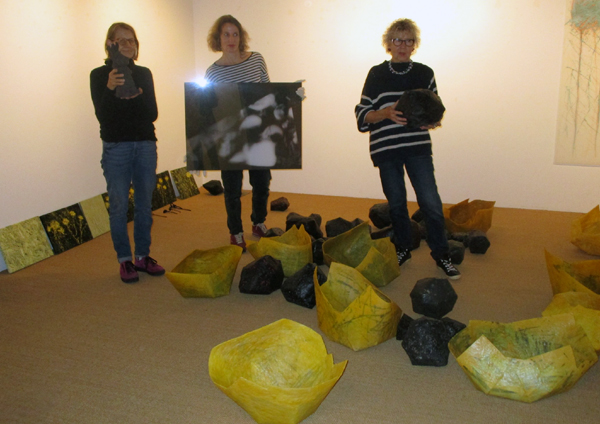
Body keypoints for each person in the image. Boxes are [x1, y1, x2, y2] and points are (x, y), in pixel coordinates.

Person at [354, 18, 460, 280]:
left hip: (417, 148)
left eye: (408, 40)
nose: (403, 45)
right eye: (397, 40)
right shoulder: (376, 74)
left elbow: (436, 109)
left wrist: (432, 121)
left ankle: (442, 255)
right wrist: (386, 113)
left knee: (431, 203)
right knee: (397, 204)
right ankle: (403, 247)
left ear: (415, 45)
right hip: (386, 148)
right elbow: (362, 115)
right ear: (388, 44)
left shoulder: (425, 73)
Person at [90, 22, 165, 283]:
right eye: (121, 41)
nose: (127, 45)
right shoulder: (99, 75)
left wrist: (138, 97)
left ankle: (142, 256)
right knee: (119, 205)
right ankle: (125, 260)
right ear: (110, 44)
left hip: (145, 144)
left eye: (131, 40)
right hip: (116, 147)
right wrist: (111, 89)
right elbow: (103, 116)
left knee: (144, 205)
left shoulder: (144, 72)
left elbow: (152, 113)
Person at [205, 15, 272, 250]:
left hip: (257, 133)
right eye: (226, 34)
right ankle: (235, 232)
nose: (231, 39)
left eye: (235, 34)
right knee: (232, 188)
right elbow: (209, 110)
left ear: (241, 37)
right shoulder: (212, 73)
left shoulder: (256, 61)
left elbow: (268, 92)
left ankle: (258, 222)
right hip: (230, 137)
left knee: (262, 182)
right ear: (218, 39)